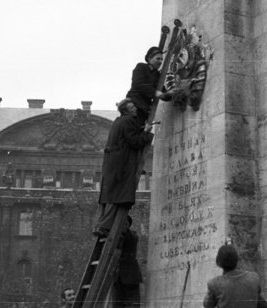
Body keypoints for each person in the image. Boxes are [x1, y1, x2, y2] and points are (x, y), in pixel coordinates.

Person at [94, 99, 153, 237]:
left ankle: (102, 225)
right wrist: (147, 133)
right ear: (126, 110)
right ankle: (104, 226)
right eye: (132, 107)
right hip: (122, 165)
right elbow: (134, 141)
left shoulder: (118, 122)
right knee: (118, 196)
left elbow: (127, 137)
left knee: (110, 196)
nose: (135, 108)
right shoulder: (128, 121)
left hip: (113, 164)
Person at [203, 245, 267, 308]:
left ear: (218, 262)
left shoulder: (215, 284)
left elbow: (207, 305)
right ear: (237, 260)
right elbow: (258, 300)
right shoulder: (254, 278)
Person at [126, 46, 166, 126]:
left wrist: (171, 94)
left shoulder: (158, 75)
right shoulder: (141, 67)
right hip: (133, 105)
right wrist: (155, 93)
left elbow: (162, 91)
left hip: (144, 109)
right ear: (149, 58)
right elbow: (138, 84)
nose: (160, 61)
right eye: (158, 59)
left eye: (161, 59)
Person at [114, 215, 143, 307]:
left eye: (124, 223)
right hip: (118, 278)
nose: (122, 225)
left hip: (130, 277)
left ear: (128, 225)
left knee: (133, 304)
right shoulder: (117, 235)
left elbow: (123, 239)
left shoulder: (132, 236)